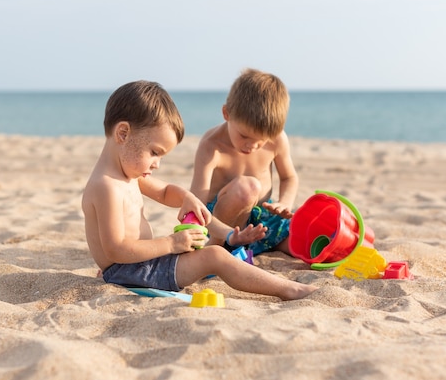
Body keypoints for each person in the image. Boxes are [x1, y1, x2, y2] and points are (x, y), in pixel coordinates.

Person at [81, 80, 317, 300]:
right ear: (123, 133)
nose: (157, 164)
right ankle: (288, 289)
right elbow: (116, 248)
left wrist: (187, 197)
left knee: (209, 251)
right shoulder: (106, 187)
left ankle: (233, 242)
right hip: (131, 271)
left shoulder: (125, 175)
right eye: (154, 152)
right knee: (215, 257)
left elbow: (164, 192)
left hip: (141, 263)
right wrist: (171, 244)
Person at [190, 68, 298, 256]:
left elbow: (289, 177)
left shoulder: (277, 139)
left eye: (261, 140)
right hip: (222, 223)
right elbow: (195, 204)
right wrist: (220, 232)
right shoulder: (211, 146)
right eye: (244, 136)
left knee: (308, 242)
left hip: (262, 218)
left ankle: (254, 246)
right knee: (247, 188)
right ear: (226, 113)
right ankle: (219, 246)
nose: (252, 146)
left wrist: (285, 203)